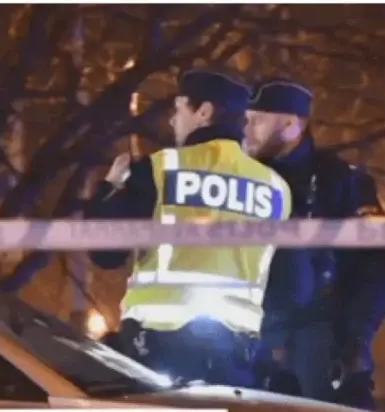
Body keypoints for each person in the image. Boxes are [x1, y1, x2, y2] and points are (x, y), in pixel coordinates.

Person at [88, 69, 292, 387]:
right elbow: (288, 281)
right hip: (236, 356)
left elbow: (106, 255)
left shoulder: (159, 169)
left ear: (204, 112)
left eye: (179, 108)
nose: (173, 121)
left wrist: (109, 190)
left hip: (157, 350)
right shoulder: (276, 188)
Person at [245, 77, 385, 410]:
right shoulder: (239, 179)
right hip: (250, 342)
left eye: (258, 120)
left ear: (291, 125)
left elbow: (375, 270)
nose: (247, 130)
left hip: (319, 344)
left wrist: (357, 340)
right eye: (246, 120)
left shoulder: (342, 181)